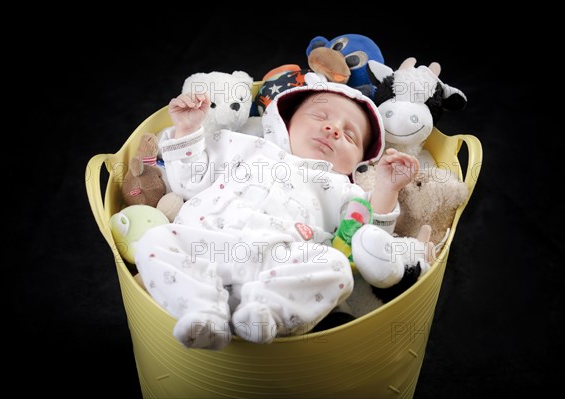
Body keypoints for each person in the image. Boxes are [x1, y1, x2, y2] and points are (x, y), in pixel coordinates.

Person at [135, 73, 420, 350]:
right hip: (207, 243)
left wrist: (386, 189)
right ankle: (202, 312)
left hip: (278, 262)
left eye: (349, 135)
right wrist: (188, 129)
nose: (333, 130)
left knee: (337, 268)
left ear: (358, 161)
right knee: (155, 240)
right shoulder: (243, 145)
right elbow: (188, 182)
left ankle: (265, 312)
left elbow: (366, 242)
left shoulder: (344, 189)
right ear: (286, 120)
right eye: (320, 117)